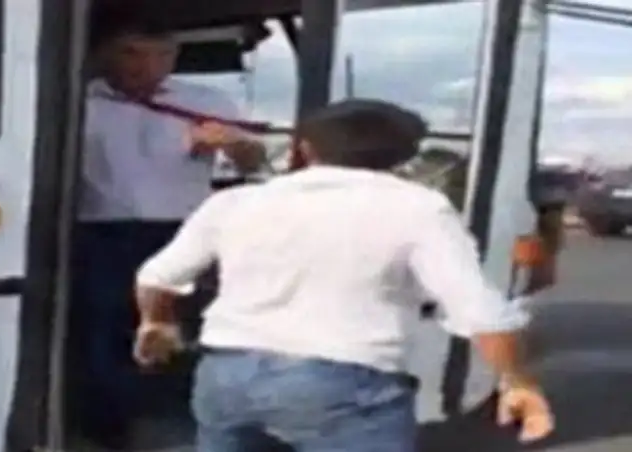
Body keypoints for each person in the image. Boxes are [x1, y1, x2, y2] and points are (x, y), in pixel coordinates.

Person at [132, 99, 555, 451]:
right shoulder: (417, 207)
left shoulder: (237, 202)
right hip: (345, 383)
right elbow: (478, 309)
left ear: (305, 148)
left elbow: (158, 275)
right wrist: (516, 380)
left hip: (227, 376)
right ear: (406, 156)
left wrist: (157, 321)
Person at [69, 9, 266, 450]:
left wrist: (233, 145)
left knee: (182, 329)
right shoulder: (74, 100)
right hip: (100, 232)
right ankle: (109, 429)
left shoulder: (206, 101)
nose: (149, 66)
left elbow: (253, 162)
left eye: (163, 55)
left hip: (183, 232)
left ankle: (173, 424)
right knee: (103, 330)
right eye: (132, 53)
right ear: (105, 55)